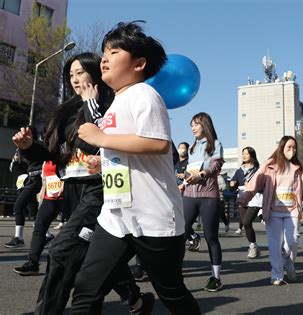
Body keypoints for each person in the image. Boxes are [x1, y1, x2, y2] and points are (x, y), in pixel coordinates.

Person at [69, 22, 200, 314]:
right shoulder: (117, 102)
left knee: (172, 293)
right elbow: (126, 152)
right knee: (86, 289)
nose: (104, 58)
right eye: (104, 52)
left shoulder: (144, 94)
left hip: (152, 217)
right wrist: (101, 162)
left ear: (139, 63)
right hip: (115, 216)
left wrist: (102, 138)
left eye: (114, 52)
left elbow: (157, 144)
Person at [13, 52, 146, 314]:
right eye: (71, 75)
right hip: (71, 190)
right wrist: (29, 147)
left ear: (95, 73)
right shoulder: (66, 110)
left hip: (101, 189)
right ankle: (135, 299)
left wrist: (91, 105)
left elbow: (104, 140)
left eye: (81, 73)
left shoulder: (111, 103)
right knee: (90, 255)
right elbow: (54, 154)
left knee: (62, 251)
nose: (75, 79)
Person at [237, 136, 303, 285]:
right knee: (274, 244)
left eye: (294, 147)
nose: (292, 150)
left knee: (292, 242)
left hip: (292, 210)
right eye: (288, 147)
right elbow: (254, 184)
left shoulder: (298, 168)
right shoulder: (269, 166)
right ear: (281, 148)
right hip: (272, 210)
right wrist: (244, 198)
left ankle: (289, 264)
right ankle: (277, 274)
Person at [181, 112, 225, 292]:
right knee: (181, 233)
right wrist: (184, 181)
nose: (192, 127)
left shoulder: (215, 144)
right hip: (190, 195)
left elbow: (215, 166)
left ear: (205, 125)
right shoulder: (191, 148)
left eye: (196, 124)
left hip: (208, 195)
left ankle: (216, 277)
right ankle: (175, 272)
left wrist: (202, 174)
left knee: (211, 237)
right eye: (191, 124)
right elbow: (190, 171)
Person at [13, 161, 65, 275]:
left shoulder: (67, 152)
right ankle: (33, 263)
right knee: (39, 227)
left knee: (77, 230)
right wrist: (41, 196)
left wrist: (64, 186)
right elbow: (45, 178)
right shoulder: (46, 159)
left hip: (67, 196)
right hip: (49, 197)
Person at [4, 144, 42, 248]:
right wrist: (16, 160)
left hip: (31, 181)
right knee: (33, 211)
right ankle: (46, 233)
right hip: (21, 183)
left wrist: (32, 174)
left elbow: (40, 166)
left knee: (18, 207)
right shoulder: (19, 149)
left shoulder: (36, 148)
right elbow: (12, 168)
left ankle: (19, 238)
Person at [231, 147, 263, 259]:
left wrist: (252, 185)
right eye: (243, 154)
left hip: (254, 198)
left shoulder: (258, 170)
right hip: (242, 197)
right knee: (246, 224)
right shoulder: (239, 170)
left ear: (252, 156)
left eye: (246, 154)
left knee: (246, 221)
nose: (244, 156)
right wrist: (232, 184)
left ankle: (253, 246)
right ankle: (253, 246)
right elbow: (232, 184)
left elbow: (263, 186)